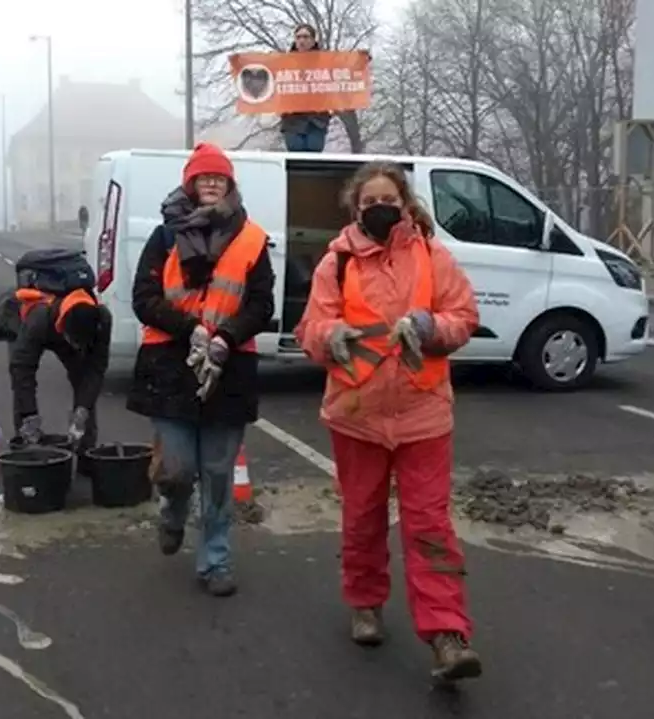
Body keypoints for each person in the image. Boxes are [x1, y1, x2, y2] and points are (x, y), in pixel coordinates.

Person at [294, 162, 483, 682]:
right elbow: (311, 327)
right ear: (356, 209)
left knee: (430, 526)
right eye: (369, 200)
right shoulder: (337, 262)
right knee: (362, 517)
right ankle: (365, 603)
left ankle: (448, 634)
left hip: (423, 411)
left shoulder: (431, 253)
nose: (380, 207)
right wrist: (331, 337)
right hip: (356, 413)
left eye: (389, 198)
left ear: (404, 204)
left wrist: (427, 326)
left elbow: (464, 317)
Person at [128, 142, 275, 597]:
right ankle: (172, 512)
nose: (211, 184)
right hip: (170, 363)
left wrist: (225, 337)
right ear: (189, 183)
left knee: (216, 472)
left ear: (231, 185)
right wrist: (189, 327)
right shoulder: (164, 237)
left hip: (229, 366)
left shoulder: (252, 237)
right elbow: (143, 299)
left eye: (220, 178)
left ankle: (216, 560)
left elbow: (262, 303)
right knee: (175, 468)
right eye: (203, 178)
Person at [0, 249, 112, 450]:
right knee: (21, 386)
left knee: (83, 381)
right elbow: (22, 369)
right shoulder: (38, 319)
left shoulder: (102, 319)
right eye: (74, 342)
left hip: (62, 328)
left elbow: (96, 370)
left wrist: (82, 409)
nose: (77, 348)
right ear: (64, 328)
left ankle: (86, 450)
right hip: (27, 324)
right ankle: (27, 446)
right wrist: (29, 415)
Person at [279, 24, 331, 152]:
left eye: (306, 37)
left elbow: (345, 70)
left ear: (313, 40)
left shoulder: (326, 62)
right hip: (292, 121)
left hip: (317, 121)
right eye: (298, 37)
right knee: (295, 158)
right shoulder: (284, 62)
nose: (302, 40)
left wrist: (360, 61)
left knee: (313, 157)